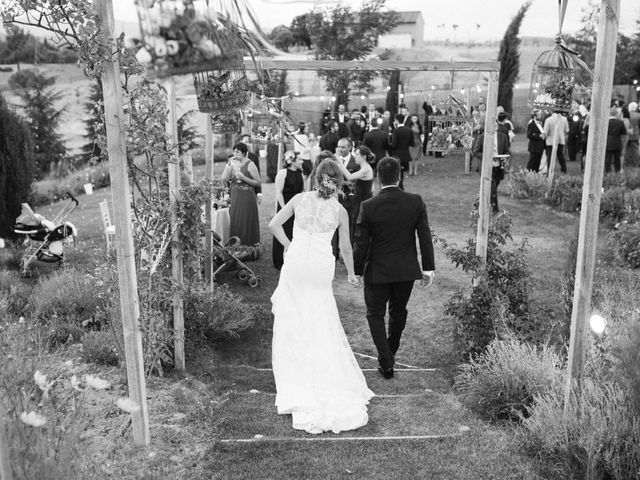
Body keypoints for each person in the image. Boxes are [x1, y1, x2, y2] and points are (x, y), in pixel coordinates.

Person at [269, 159, 374, 434]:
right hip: (319, 265)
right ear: (337, 183)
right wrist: (352, 274)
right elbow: (346, 248)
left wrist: (290, 245)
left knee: (294, 314)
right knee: (320, 314)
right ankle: (323, 368)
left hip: (296, 264)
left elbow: (273, 225)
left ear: (316, 178)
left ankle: (296, 369)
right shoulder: (340, 211)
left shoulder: (299, 199)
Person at [353, 157, 435, 379]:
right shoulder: (415, 201)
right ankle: (389, 355)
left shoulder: (368, 206)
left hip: (377, 271)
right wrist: (428, 268)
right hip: (405, 270)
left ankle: (386, 359)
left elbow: (360, 242)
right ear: (399, 176)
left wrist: (357, 270)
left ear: (378, 178)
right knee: (398, 313)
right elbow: (424, 235)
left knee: (375, 314)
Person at [221, 142, 261, 245]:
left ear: (243, 153)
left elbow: (258, 182)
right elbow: (224, 178)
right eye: (234, 151)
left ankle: (249, 246)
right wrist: (228, 165)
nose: (235, 154)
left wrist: (244, 178)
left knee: (246, 220)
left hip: (247, 197)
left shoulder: (250, 164)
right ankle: (236, 245)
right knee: (236, 219)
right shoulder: (232, 163)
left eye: (237, 152)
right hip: (235, 197)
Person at [272, 151, 305, 270]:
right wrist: (285, 208)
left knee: (294, 231)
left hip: (297, 206)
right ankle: (280, 261)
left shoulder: (300, 173)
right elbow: (279, 192)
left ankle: (294, 258)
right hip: (285, 204)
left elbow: (302, 191)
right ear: (292, 161)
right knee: (283, 230)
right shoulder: (283, 173)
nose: (302, 161)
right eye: (300, 159)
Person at [338, 145, 374, 244]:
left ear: (364, 157)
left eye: (357, 155)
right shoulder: (364, 167)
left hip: (364, 200)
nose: (355, 157)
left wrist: (340, 162)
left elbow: (349, 177)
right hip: (361, 198)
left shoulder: (365, 169)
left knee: (359, 224)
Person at [472, 130, 510, 213]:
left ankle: (479, 201)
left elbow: (507, 151)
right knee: (492, 189)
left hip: (499, 167)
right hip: (487, 168)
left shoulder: (503, 136)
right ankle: (495, 210)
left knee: (490, 189)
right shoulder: (482, 137)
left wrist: (504, 157)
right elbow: (475, 152)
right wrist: (487, 157)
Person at [390, 114, 414, 189]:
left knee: (396, 172)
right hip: (405, 154)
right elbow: (412, 144)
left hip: (397, 155)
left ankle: (399, 186)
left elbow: (394, 145)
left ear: (397, 120)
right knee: (402, 172)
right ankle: (400, 185)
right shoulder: (409, 130)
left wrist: (389, 144)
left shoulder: (396, 131)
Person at [543, 110, 569, 174]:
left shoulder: (548, 119)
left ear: (552, 111)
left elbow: (545, 132)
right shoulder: (564, 119)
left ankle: (550, 171)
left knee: (550, 157)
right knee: (561, 156)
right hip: (560, 140)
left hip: (550, 141)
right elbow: (567, 130)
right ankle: (563, 170)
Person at [605, 105, 627, 174]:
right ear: (616, 114)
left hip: (608, 141)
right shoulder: (620, 122)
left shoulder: (606, 122)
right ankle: (617, 171)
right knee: (617, 158)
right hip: (617, 141)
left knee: (608, 158)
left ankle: (608, 172)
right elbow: (624, 132)